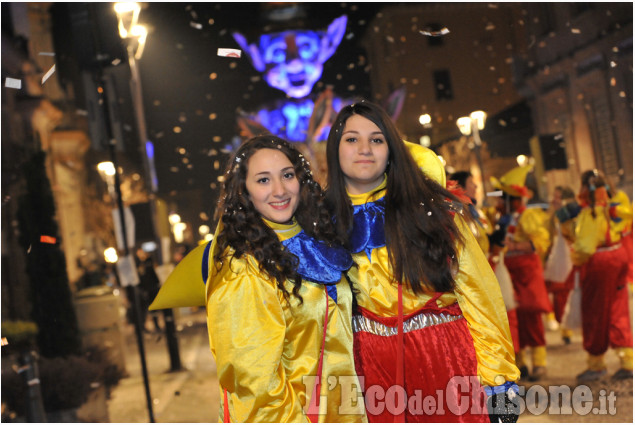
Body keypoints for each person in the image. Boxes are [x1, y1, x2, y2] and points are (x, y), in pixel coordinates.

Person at [324, 100, 520, 423]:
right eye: (351, 139)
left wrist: (498, 377)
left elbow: (478, 292)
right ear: (336, 148)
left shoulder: (429, 210)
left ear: (391, 150)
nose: (365, 149)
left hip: (445, 357)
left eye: (376, 139)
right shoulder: (321, 224)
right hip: (368, 368)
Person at [150, 135, 367, 422]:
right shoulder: (243, 266)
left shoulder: (315, 240)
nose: (280, 190)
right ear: (244, 191)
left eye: (287, 175)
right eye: (263, 180)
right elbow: (255, 385)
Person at [489, 165, 551, 382]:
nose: (498, 203)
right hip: (509, 273)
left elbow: (541, 241)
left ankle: (540, 362)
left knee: (531, 316)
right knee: (512, 319)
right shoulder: (501, 219)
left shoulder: (528, 216)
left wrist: (514, 247)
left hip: (527, 272)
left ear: (512, 199)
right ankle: (520, 362)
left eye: (501, 198)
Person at [570, 169, 633, 382]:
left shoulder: (590, 213)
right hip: (619, 256)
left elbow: (584, 247)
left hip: (599, 263)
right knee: (618, 308)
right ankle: (628, 361)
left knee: (595, 312)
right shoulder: (618, 202)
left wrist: (575, 259)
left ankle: (596, 364)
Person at [543, 186, 576, 344]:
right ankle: (565, 327)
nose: (554, 200)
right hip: (558, 257)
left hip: (569, 255)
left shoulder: (572, 213)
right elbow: (550, 235)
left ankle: (567, 327)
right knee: (559, 292)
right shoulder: (554, 215)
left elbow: (573, 233)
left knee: (567, 291)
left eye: (557, 197)